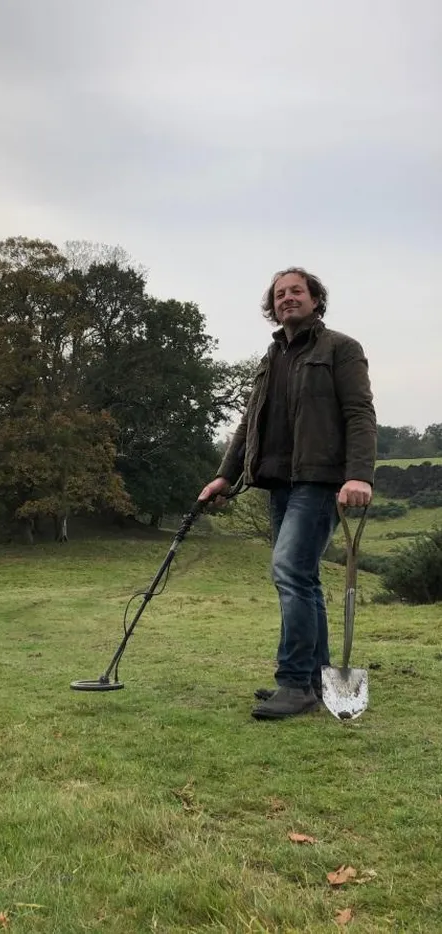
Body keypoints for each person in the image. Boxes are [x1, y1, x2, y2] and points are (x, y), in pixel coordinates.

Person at [200, 267, 376, 720]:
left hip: (319, 482)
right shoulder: (271, 357)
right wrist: (225, 475)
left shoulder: (341, 348)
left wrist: (359, 475)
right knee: (302, 577)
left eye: (297, 291)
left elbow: (359, 414)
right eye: (280, 294)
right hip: (279, 482)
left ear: (316, 299)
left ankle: (294, 682)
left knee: (289, 571)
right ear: (272, 305)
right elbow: (249, 423)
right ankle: (316, 680)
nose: (288, 298)